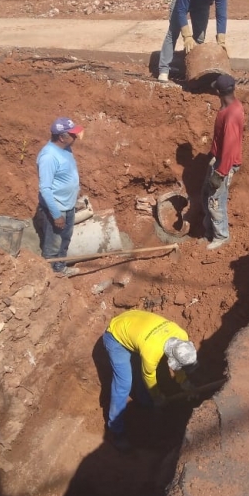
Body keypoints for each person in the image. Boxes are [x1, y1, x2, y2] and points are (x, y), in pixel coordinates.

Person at [103, 309, 198, 452]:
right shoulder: (151, 352)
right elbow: (150, 378)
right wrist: (157, 397)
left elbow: (179, 365)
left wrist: (185, 382)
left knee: (142, 372)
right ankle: (116, 431)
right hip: (115, 336)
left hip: (135, 324)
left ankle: (144, 401)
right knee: (124, 383)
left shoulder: (181, 336)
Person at [157, 0, 228, 83]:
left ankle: (192, 68)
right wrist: (187, 36)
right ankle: (164, 69)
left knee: (199, 37)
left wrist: (221, 40)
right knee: (173, 32)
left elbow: (221, 15)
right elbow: (181, 11)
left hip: (203, 5)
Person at [35, 117, 84, 277]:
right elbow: (45, 189)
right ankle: (49, 276)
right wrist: (56, 215)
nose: (75, 137)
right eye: (72, 134)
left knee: (65, 240)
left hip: (68, 206)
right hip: (57, 209)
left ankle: (60, 268)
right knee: (53, 245)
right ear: (62, 137)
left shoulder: (66, 148)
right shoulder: (48, 157)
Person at [203, 74, 244, 250]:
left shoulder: (232, 115)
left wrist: (220, 173)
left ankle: (221, 236)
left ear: (219, 92)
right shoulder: (230, 106)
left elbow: (230, 148)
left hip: (224, 163)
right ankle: (209, 231)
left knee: (215, 201)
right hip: (218, 159)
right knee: (206, 195)